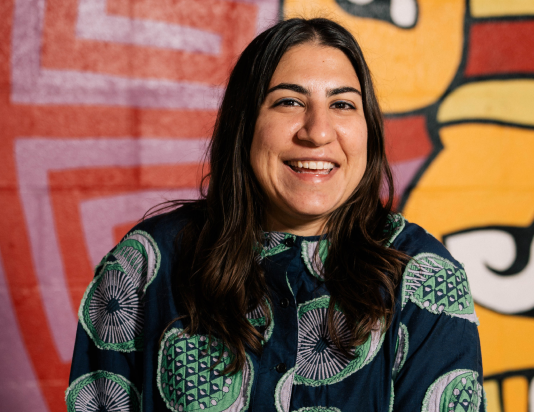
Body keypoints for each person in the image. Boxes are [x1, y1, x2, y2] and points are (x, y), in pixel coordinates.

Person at [66, 18, 484, 412]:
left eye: (342, 104)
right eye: (289, 101)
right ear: (244, 124)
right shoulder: (146, 265)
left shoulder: (424, 277)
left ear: (368, 130)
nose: (318, 131)